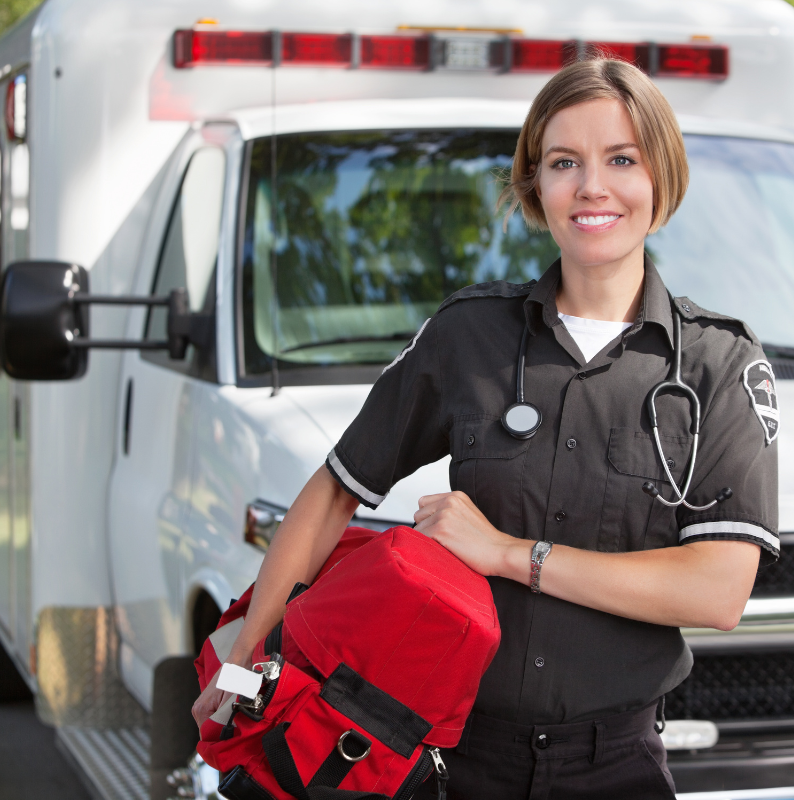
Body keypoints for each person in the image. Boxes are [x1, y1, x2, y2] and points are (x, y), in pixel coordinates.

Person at [192, 58, 779, 799]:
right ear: (536, 183)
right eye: (564, 162)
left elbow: (718, 591)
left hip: (618, 764)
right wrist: (249, 656)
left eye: (621, 159)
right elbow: (335, 492)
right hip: (448, 760)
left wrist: (507, 554)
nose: (592, 186)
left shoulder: (718, 363)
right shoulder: (468, 336)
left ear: (661, 175)